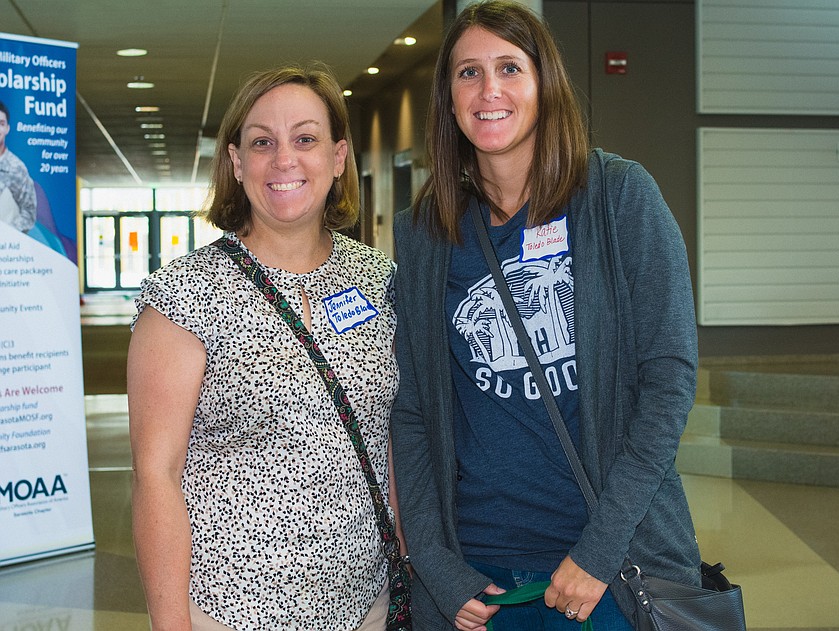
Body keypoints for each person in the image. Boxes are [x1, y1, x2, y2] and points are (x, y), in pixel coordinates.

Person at [390, 2, 702, 630]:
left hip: (609, 565)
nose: (489, 90)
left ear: (544, 84)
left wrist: (599, 550)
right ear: (448, 97)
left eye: (509, 67)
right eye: (468, 73)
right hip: (479, 576)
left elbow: (668, 380)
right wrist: (433, 559)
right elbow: (414, 408)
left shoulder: (618, 198)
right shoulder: (426, 233)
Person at [128, 64, 402, 631]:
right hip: (230, 609)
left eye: (306, 139)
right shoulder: (185, 294)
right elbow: (156, 476)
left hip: (368, 606)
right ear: (236, 162)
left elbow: (396, 442)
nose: (284, 160)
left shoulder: (380, 281)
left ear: (339, 156)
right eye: (262, 143)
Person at [0, 100, 37, 233]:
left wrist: (9, 232)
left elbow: (29, 212)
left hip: (8, 248)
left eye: (1, 124)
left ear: (7, 128)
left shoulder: (16, 168)